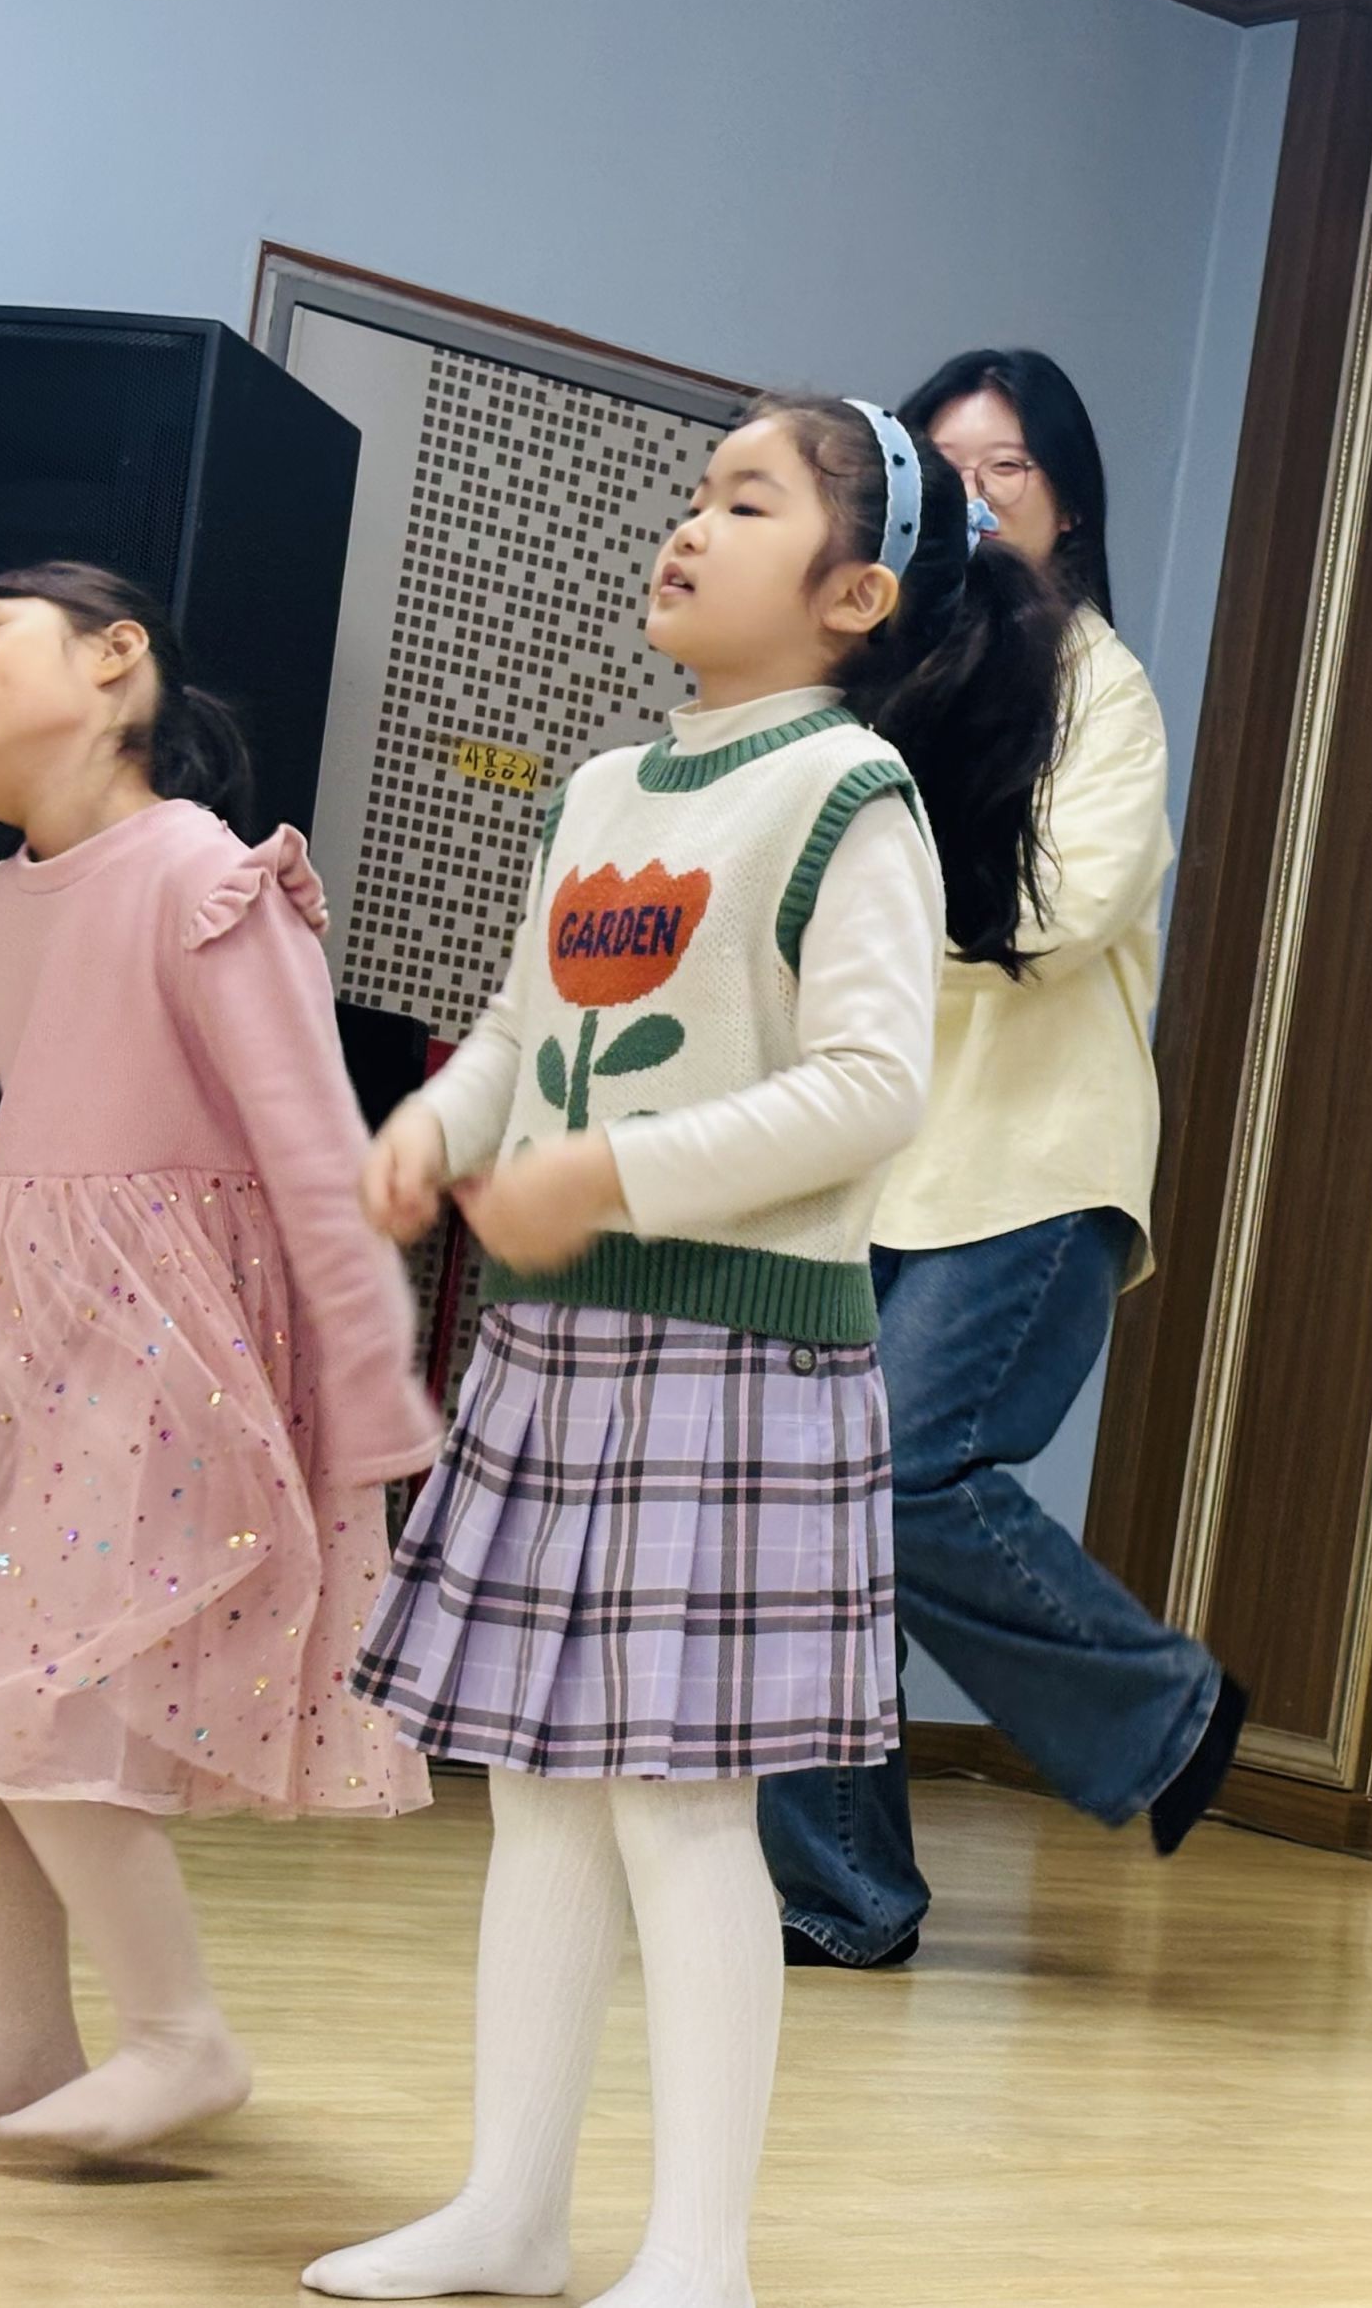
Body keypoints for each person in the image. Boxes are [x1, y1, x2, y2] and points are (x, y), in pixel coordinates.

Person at [307, 392, 1060, 2306]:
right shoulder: (602, 791)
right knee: (540, 1788)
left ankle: (698, 2254)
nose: (693, 524)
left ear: (856, 594)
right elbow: (515, 1028)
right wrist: (439, 1130)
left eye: (748, 501)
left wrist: (612, 1175)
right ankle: (512, 2210)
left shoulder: (846, 794)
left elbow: (872, 1088)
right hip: (560, 1357)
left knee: (679, 1802)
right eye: (698, 493)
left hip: (735, 1368)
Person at [0, 563, 438, 2157]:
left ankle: (181, 2037)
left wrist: (368, 1385)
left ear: (117, 660)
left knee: (34, 1685)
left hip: (155, 1329)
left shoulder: (205, 878)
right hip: (0, 1317)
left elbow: (314, 1150)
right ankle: (24, 2040)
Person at [757, 347, 1246, 1973]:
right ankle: (843, 1894)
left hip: (1029, 1164)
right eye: (943, 471)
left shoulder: (1104, 689)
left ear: (1068, 504)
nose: (972, 498)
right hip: (858, 1169)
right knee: (805, 1520)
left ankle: (1161, 1712)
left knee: (898, 1476)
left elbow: (1060, 912)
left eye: (1007, 470)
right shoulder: (868, 688)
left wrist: (869, 927)